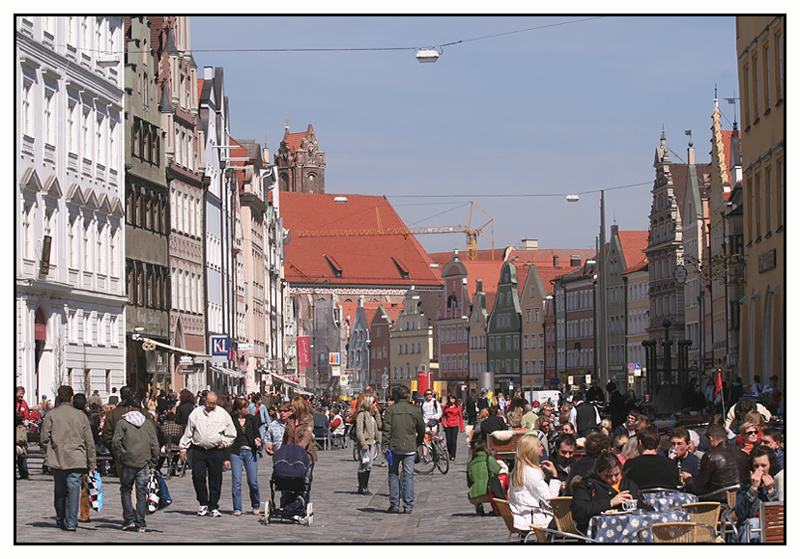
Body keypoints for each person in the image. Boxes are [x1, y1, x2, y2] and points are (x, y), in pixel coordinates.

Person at [40, 385, 97, 531]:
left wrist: (49, 451)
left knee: (59, 490)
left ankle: (61, 518)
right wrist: (92, 463)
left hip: (57, 457)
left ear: (59, 398)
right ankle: (71, 521)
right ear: (71, 398)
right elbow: (89, 441)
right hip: (76, 458)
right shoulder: (80, 416)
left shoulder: (52, 415)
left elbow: (44, 438)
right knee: (73, 491)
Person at [178, 391, 237, 517]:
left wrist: (225, 443)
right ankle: (203, 503)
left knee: (215, 478)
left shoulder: (222, 414)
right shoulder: (196, 413)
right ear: (204, 400)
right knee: (197, 476)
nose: (212, 406)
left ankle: (214, 505)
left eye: (214, 404)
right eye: (210, 403)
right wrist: (183, 448)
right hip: (199, 449)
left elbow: (231, 432)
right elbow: (189, 432)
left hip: (215, 450)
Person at [111, 396, 160, 532]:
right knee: (141, 492)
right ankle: (141, 522)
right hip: (144, 462)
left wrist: (120, 456)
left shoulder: (123, 423)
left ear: (129, 408)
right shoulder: (147, 423)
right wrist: (153, 462)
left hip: (128, 462)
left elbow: (116, 442)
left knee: (126, 490)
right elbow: (154, 444)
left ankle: (129, 520)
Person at [570, 452, 650, 534]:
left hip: (632, 532)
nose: (614, 479)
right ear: (598, 472)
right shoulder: (587, 485)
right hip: (599, 533)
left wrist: (633, 504)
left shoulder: (628, 484)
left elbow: (647, 508)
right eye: (608, 476)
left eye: (617, 474)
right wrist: (610, 503)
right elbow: (579, 512)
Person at [382, 385, 425, 513]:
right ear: (408, 396)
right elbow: (421, 428)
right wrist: (418, 441)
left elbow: (386, 430)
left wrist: (385, 446)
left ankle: (394, 504)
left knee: (393, 474)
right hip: (410, 447)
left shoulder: (391, 410)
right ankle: (408, 505)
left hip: (394, 447)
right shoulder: (414, 410)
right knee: (408, 476)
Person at [508, 433, 560, 531]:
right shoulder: (532, 472)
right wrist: (555, 476)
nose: (542, 449)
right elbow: (551, 500)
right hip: (535, 519)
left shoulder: (517, 470)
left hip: (521, 516)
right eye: (540, 446)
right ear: (532, 450)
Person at [734, 446, 780, 542]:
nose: (760, 470)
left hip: (771, 528)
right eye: (756, 466)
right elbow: (740, 514)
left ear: (770, 465)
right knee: (754, 522)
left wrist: (771, 491)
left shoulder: (778, 482)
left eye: (764, 466)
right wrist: (753, 489)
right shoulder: (745, 486)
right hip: (749, 528)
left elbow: (778, 516)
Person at [225, 398, 261, 516]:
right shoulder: (232, 420)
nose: (247, 409)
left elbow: (257, 432)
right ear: (239, 409)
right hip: (236, 452)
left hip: (250, 451)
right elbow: (228, 436)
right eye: (245, 407)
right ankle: (237, 508)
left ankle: (256, 504)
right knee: (236, 481)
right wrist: (226, 457)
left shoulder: (251, 419)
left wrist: (257, 439)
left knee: (252, 481)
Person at [622, 425, 679, 490]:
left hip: (640, 499)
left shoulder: (630, 464)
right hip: (665, 499)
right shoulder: (670, 464)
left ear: (640, 442)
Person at [282, 396, 318, 475]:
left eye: (292, 406)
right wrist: (281, 451)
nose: (290, 407)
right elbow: (285, 437)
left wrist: (298, 449)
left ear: (298, 407)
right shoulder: (290, 419)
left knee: (303, 481)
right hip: (289, 455)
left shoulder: (308, 420)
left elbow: (307, 436)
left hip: (304, 455)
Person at [354, 393, 382, 495]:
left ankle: (365, 486)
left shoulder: (372, 415)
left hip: (372, 443)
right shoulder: (362, 414)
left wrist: (377, 413)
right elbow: (359, 431)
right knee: (363, 464)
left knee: (369, 465)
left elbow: (380, 425)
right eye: (373, 402)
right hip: (365, 443)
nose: (375, 404)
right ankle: (362, 487)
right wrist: (363, 444)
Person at [466, 438, 501, 516]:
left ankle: (478, 505)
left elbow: (469, 483)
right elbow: (499, 471)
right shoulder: (490, 459)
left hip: (474, 496)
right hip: (490, 494)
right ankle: (496, 506)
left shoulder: (470, 464)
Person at [441, 394, 464, 460]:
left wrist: (462, 428)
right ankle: (450, 453)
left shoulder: (458, 407)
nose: (452, 400)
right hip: (448, 425)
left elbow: (460, 417)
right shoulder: (446, 407)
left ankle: (453, 455)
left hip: (455, 425)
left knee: (453, 441)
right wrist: (443, 423)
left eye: (453, 398)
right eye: (451, 398)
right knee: (448, 441)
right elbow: (443, 416)